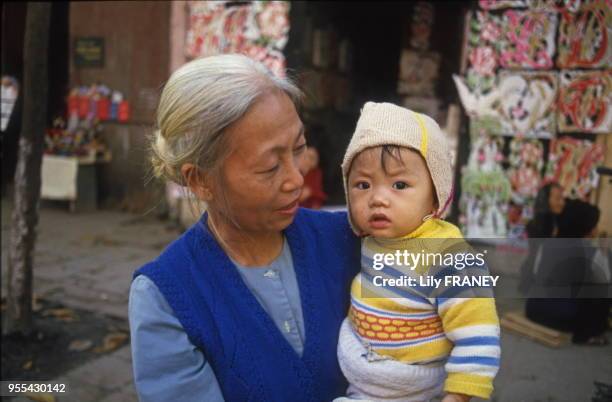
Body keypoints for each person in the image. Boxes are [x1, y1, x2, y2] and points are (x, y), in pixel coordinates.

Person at [128, 54, 361, 401]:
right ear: (201, 180)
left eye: (298, 149)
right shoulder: (166, 296)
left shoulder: (348, 237)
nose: (296, 179)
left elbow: (467, 274)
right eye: (270, 167)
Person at [336, 102, 500, 402]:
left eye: (399, 184)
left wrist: (458, 396)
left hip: (409, 387)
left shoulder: (448, 255)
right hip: (362, 372)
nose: (378, 198)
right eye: (362, 184)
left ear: (435, 195)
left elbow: (479, 335)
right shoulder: (374, 238)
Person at [525, 199, 610, 345]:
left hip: (534, 310)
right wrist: (605, 254)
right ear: (586, 228)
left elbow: (535, 273)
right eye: (594, 225)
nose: (596, 230)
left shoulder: (546, 244)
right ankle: (587, 335)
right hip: (565, 319)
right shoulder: (592, 252)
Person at [518, 182, 565, 294]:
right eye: (558, 199)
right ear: (546, 200)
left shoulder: (551, 220)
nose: (562, 203)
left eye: (562, 198)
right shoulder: (544, 224)